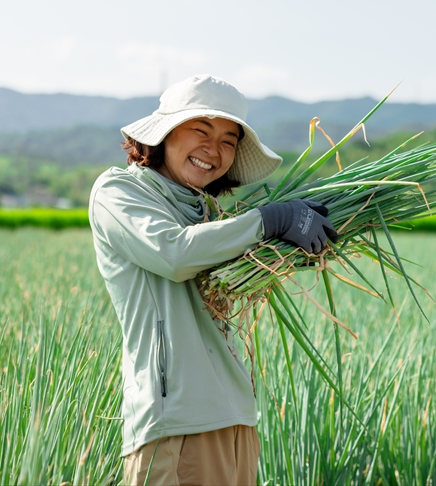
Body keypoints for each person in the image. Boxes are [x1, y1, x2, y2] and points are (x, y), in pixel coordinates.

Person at [88, 74, 337, 485]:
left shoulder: (212, 216)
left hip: (236, 418)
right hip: (177, 423)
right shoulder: (119, 192)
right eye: (201, 130)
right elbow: (175, 252)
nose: (214, 149)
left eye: (228, 141)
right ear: (164, 135)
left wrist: (286, 255)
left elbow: (224, 276)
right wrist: (271, 220)